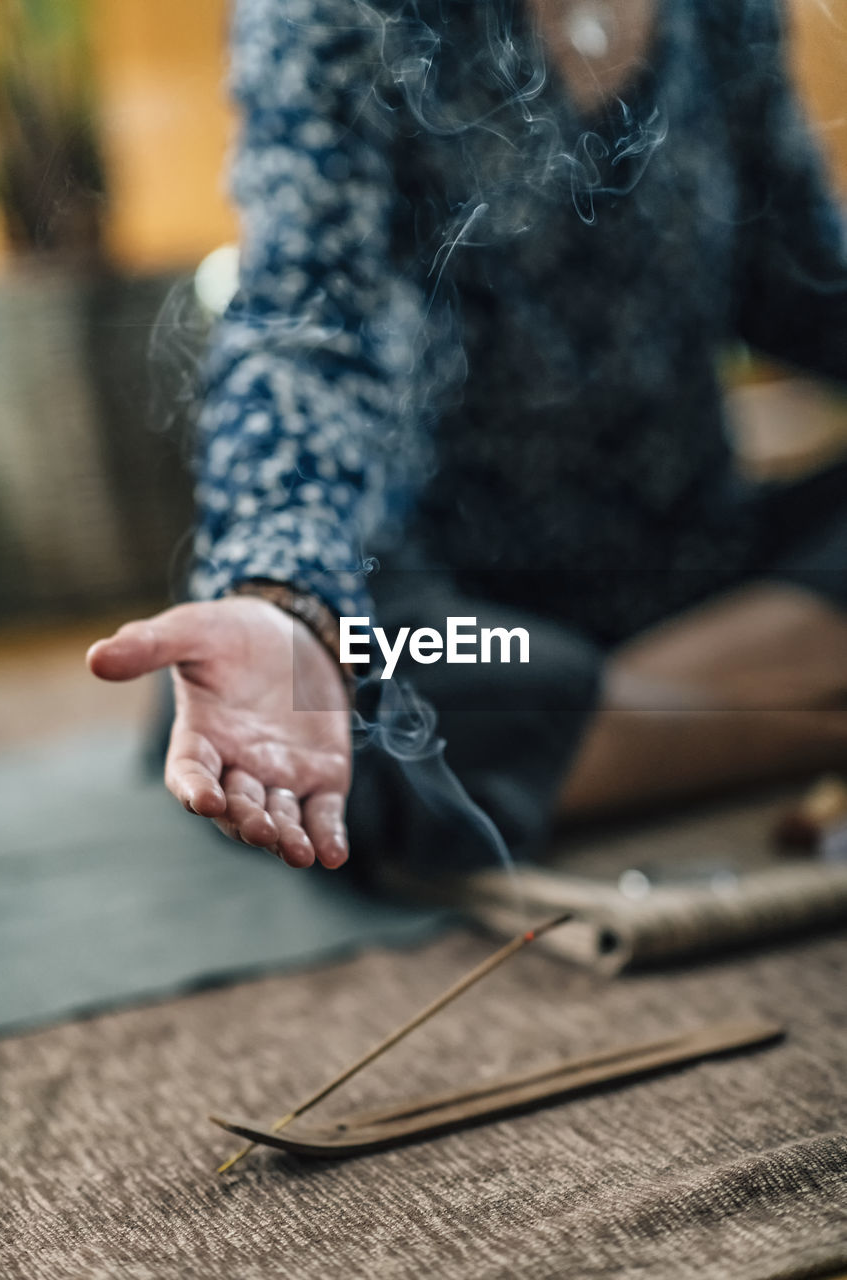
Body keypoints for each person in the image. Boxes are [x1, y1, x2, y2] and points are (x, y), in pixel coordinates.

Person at [88, 0, 847, 880]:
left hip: (686, 561)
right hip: (448, 620)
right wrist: (285, 597)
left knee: (424, 741)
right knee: (328, 699)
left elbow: (804, 283)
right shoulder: (327, 13)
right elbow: (310, 323)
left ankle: (594, 723)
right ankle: (784, 717)